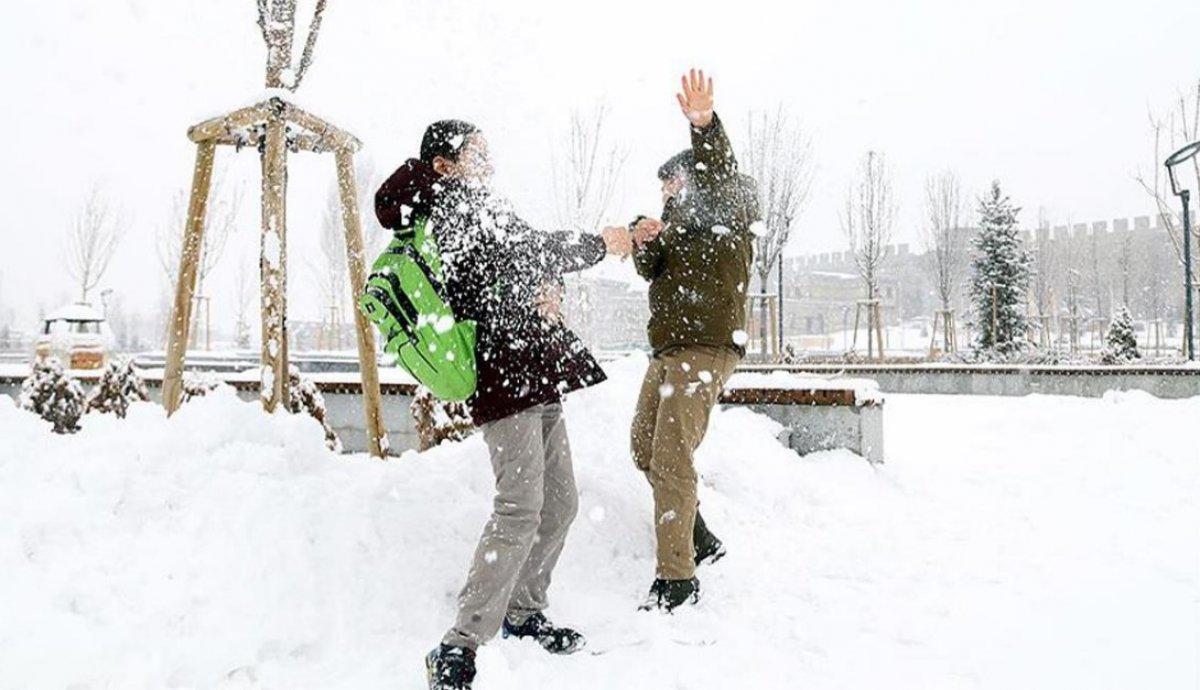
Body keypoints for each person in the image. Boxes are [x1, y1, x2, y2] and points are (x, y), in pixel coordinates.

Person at [374, 120, 633, 690]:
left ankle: (523, 612)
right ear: (445, 164)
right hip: (503, 375)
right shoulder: (448, 206)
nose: (489, 162)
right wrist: (600, 244)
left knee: (560, 502)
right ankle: (458, 644)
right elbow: (529, 250)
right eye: (477, 154)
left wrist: (551, 289)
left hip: (535, 370)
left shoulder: (481, 204)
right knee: (519, 506)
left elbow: (525, 260)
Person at [627, 69, 761, 612]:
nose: (667, 193)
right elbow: (650, 269)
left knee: (671, 457)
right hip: (670, 350)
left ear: (694, 178)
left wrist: (703, 124)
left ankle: (677, 579)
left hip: (705, 348)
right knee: (644, 446)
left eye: (672, 184)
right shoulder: (677, 226)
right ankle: (698, 535)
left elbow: (719, 169)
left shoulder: (727, 204)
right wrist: (643, 238)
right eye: (663, 189)